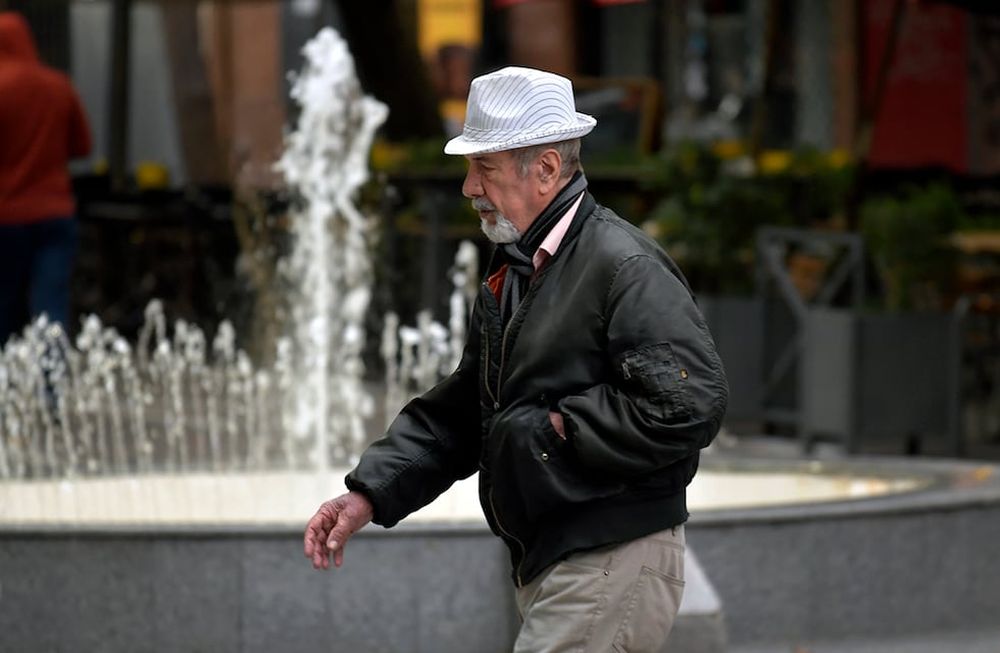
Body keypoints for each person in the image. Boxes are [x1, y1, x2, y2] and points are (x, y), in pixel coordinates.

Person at [304, 66, 728, 652]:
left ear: (547, 170)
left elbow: (688, 403)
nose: (469, 187)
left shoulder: (621, 265)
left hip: (610, 556)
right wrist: (369, 493)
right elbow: (465, 408)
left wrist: (549, 433)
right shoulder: (519, 267)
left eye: (485, 168)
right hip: (566, 559)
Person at [0, 12, 92, 344]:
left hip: (5, 216)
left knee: (4, 306)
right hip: (54, 214)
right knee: (50, 304)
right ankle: (50, 390)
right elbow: (83, 146)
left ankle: (7, 388)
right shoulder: (58, 85)